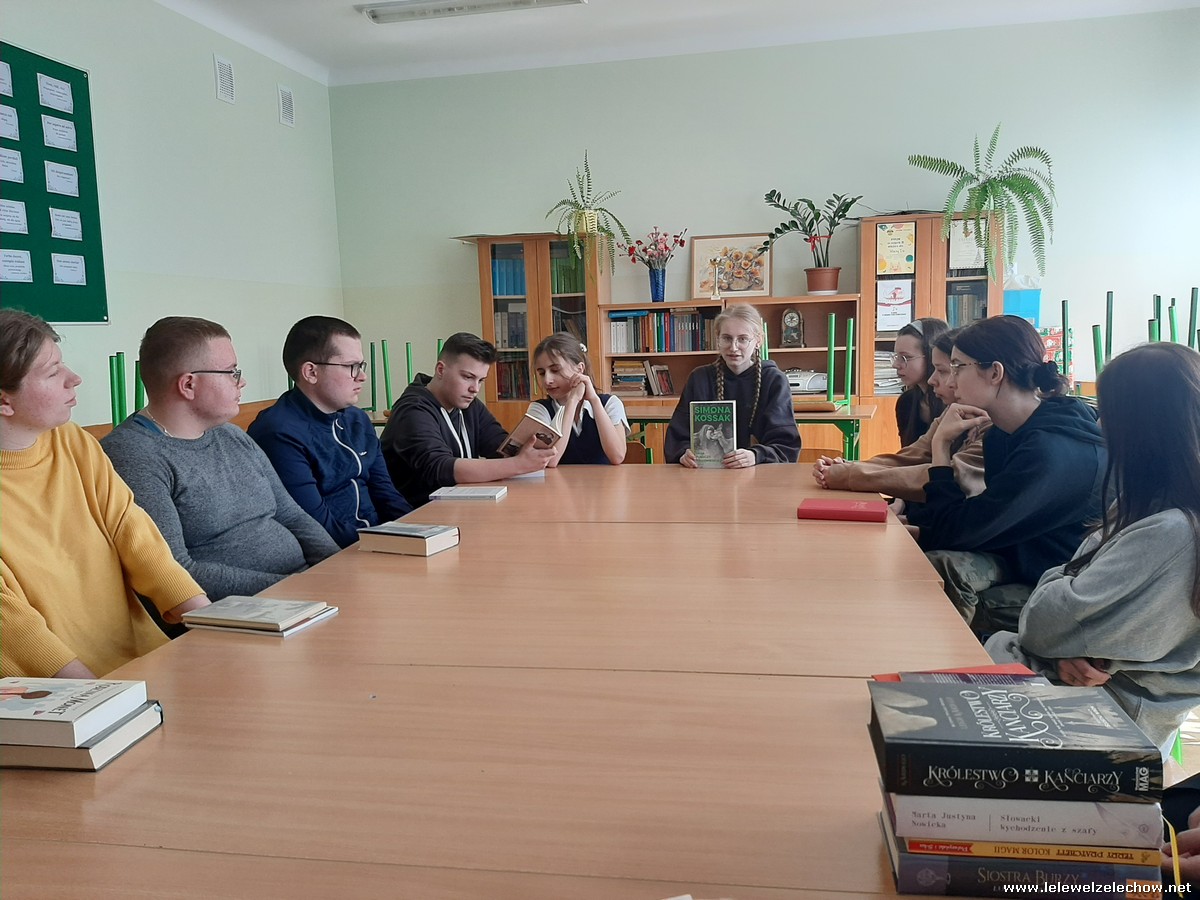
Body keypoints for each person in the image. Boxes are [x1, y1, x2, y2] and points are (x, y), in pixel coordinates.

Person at [985, 342, 1200, 749]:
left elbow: (1043, 623)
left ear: (1141, 428)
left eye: (1108, 414)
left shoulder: (1171, 532)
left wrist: (1063, 632)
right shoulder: (1154, 507)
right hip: (1097, 705)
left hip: (1099, 725)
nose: (1100, 425)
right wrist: (1069, 644)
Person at [0, 309, 210, 678]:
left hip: (146, 661)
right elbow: (15, 628)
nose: (74, 378)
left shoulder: (71, 439)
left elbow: (129, 529)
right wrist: (100, 694)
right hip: (65, 689)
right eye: (52, 372)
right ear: (4, 401)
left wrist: (211, 620)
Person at [101, 317, 339, 602]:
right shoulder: (133, 455)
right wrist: (301, 588)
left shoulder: (230, 434)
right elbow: (177, 571)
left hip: (301, 591)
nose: (241, 381)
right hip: (243, 610)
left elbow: (291, 514)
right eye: (231, 372)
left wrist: (338, 569)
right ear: (188, 385)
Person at [903, 315, 1106, 632]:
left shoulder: (1049, 451)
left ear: (995, 373)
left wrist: (941, 447)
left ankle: (951, 660)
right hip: (1019, 555)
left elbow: (960, 531)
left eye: (957, 367)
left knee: (934, 567)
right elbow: (974, 519)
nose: (948, 380)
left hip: (1063, 582)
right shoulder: (1004, 433)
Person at [248, 316, 412, 547]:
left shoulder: (357, 419)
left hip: (377, 541)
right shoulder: (278, 433)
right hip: (338, 554)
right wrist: (387, 544)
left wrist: (419, 532)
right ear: (311, 372)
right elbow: (315, 526)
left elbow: (386, 493)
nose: (362, 376)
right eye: (351, 366)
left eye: (361, 366)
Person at [813, 327, 987, 503]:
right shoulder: (949, 410)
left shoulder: (992, 426)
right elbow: (910, 457)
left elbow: (948, 479)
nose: (932, 380)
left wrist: (849, 474)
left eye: (943, 370)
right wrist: (847, 466)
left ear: (993, 373)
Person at [380, 332, 555, 506]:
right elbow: (440, 468)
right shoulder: (412, 410)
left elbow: (500, 447)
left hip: (457, 507)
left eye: (481, 380)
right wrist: (518, 464)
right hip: (417, 514)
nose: (475, 389)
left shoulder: (469, 404)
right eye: (468, 377)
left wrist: (530, 449)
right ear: (440, 370)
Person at [663, 304, 800, 467]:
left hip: (759, 474)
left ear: (758, 341)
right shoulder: (699, 379)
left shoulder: (774, 380)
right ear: (717, 339)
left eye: (743, 339)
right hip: (706, 475)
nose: (733, 347)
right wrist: (683, 454)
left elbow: (786, 445)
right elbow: (677, 437)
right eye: (727, 338)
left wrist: (756, 456)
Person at [526, 333, 629, 466]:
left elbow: (617, 456)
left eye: (555, 370)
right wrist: (572, 402)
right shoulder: (539, 409)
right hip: (557, 480)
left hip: (604, 480)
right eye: (542, 373)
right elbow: (550, 461)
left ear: (580, 369)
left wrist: (594, 400)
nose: (547, 380)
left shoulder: (610, 403)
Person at [893, 318, 949, 446]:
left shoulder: (956, 403)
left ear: (931, 356)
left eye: (906, 357)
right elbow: (907, 454)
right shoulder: (906, 402)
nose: (896, 365)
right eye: (897, 357)